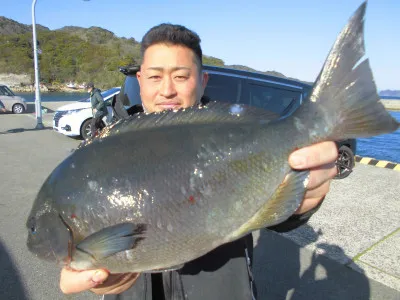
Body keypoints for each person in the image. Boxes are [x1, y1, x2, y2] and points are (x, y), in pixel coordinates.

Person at [60, 24, 338, 299]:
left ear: (202, 81)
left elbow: (275, 214)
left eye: (181, 77)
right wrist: (91, 273)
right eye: (155, 77)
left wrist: (302, 201)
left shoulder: (230, 135)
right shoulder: (101, 149)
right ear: (140, 79)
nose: (167, 90)